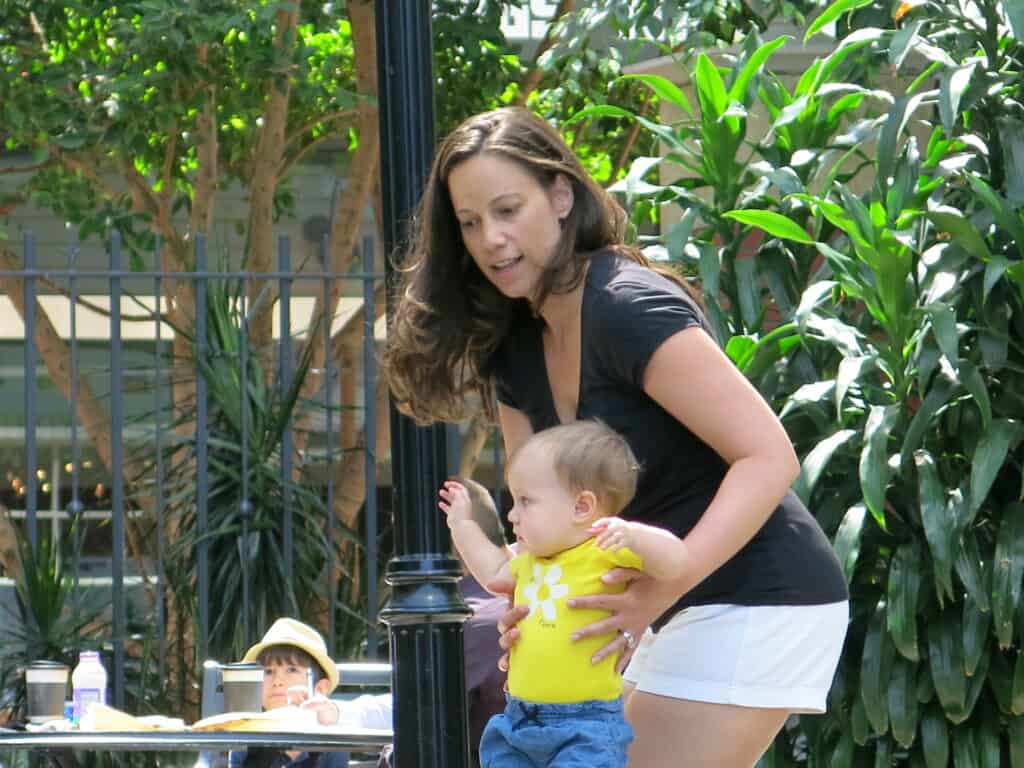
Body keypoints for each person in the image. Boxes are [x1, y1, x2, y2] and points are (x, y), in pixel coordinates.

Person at [383, 105, 850, 767]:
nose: (490, 238)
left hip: (755, 591)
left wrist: (666, 583)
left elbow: (769, 457)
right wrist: (529, 607)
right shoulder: (513, 348)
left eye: (508, 209)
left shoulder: (628, 307)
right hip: (641, 607)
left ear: (562, 196)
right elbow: (540, 518)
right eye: (469, 223)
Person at [440, 421, 689, 767]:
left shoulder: (604, 550)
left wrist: (635, 535)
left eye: (525, 501)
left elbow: (676, 562)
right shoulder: (529, 560)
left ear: (581, 507)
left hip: (585, 727)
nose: (512, 514)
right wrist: (462, 524)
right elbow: (494, 573)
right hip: (517, 721)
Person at [228, 618, 348, 768]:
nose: (277, 681)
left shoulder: (331, 743)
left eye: (292, 670)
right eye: (268, 671)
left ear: (320, 688)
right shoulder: (246, 737)